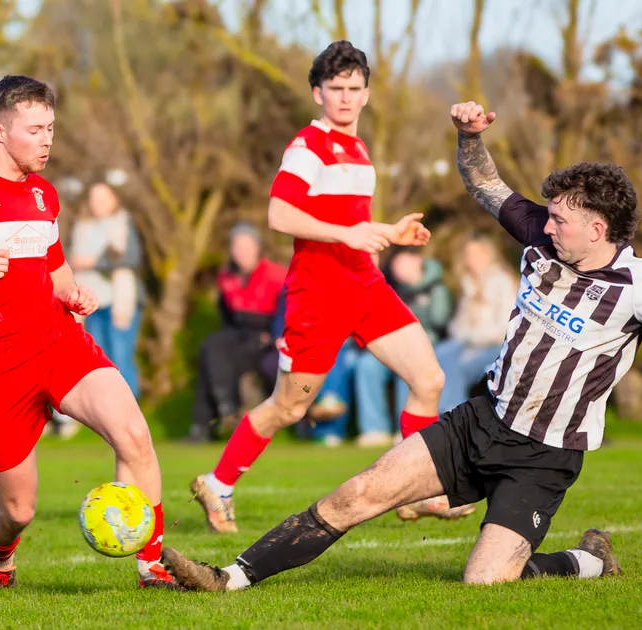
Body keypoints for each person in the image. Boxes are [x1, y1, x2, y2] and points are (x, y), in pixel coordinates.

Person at [160, 100, 642, 591]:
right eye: (547, 217)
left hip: (544, 456)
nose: (546, 226)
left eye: (559, 220)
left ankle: (589, 561)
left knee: (486, 579)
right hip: (483, 420)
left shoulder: (640, 283)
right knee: (360, 492)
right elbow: (484, 184)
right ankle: (229, 577)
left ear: (597, 229)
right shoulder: (541, 236)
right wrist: (470, 135)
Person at [0, 75, 179, 590]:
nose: (47, 141)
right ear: (0, 130)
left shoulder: (45, 194)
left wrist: (73, 293)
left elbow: (56, 268)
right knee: (18, 509)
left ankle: (152, 566)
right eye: (36, 130)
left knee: (133, 434)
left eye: (51, 129)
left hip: (55, 343)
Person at [189, 40, 459, 534]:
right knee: (290, 406)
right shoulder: (307, 147)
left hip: (366, 286)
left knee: (429, 380)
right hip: (319, 297)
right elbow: (279, 214)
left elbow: (348, 221)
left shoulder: (358, 150)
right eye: (336, 89)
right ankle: (218, 482)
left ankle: (416, 491)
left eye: (355, 88)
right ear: (318, 93)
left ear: (367, 93)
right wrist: (348, 234)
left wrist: (390, 234)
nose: (346, 98)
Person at [188, 223, 286, 442]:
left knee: (213, 352)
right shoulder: (227, 277)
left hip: (266, 337)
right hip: (237, 334)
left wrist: (272, 336)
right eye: (236, 246)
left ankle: (218, 415)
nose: (241, 251)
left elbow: (284, 312)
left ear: (257, 247)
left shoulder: (276, 275)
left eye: (246, 245)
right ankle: (213, 419)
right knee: (210, 351)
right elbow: (227, 318)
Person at [353, 247, 453, 447]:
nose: (397, 268)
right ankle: (374, 430)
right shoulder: (389, 288)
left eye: (403, 262)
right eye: (395, 264)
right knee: (366, 365)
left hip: (429, 345)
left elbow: (441, 322)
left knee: (410, 369)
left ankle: (405, 429)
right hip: (391, 343)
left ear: (417, 261)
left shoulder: (436, 288)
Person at [69, 181, 144, 398]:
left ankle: (130, 414)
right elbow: (72, 260)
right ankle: (106, 411)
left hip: (121, 301)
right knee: (98, 360)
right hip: (93, 303)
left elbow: (129, 258)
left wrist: (93, 262)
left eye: (103, 197)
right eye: (93, 198)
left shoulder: (123, 224)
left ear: (115, 199)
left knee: (121, 358)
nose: (97, 203)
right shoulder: (82, 226)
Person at [435, 232, 517, 411]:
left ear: (489, 255)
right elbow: (457, 326)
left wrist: (473, 342)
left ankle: (451, 414)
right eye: (468, 255)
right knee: (437, 355)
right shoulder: (468, 284)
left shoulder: (501, 282)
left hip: (496, 347)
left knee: (458, 366)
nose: (472, 260)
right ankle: (422, 416)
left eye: (477, 254)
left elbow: (505, 328)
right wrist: (467, 340)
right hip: (468, 342)